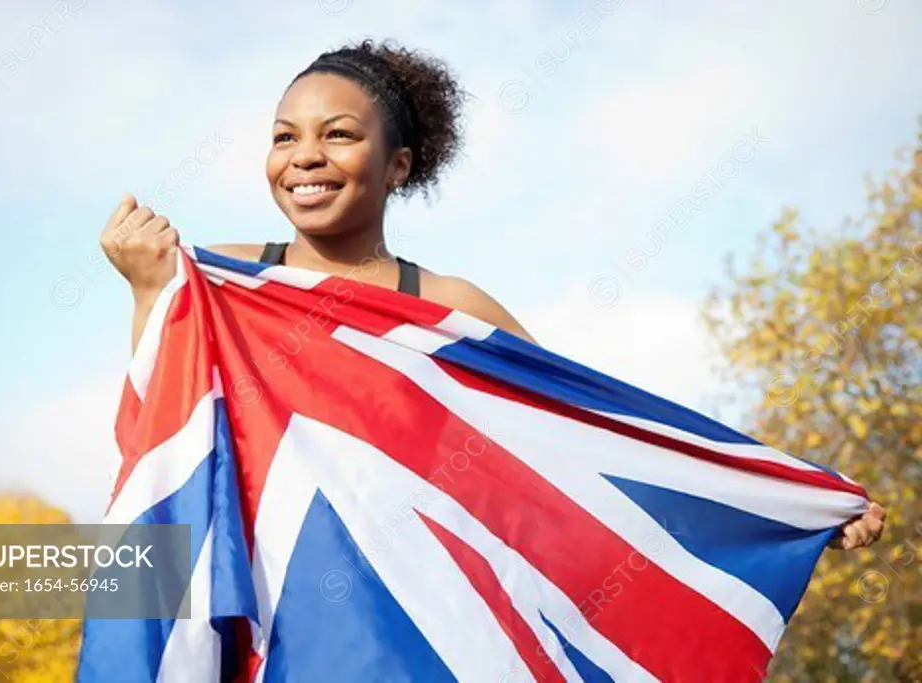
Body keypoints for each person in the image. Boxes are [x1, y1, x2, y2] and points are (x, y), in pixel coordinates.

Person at [98, 39, 884, 551]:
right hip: (260, 598)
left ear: (398, 164)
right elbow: (155, 438)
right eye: (284, 135)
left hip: (404, 623)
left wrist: (789, 501)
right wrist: (148, 289)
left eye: (339, 134)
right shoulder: (223, 280)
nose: (305, 156)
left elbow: (592, 439)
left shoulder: (452, 307)